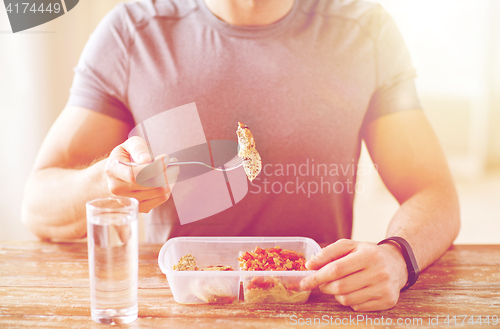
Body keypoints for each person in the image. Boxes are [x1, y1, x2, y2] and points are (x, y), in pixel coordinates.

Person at [21, 0, 460, 311]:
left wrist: (397, 256)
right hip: (175, 307)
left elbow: (433, 191)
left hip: (312, 304)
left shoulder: (367, 29)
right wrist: (107, 182)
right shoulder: (132, 32)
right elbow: (38, 205)